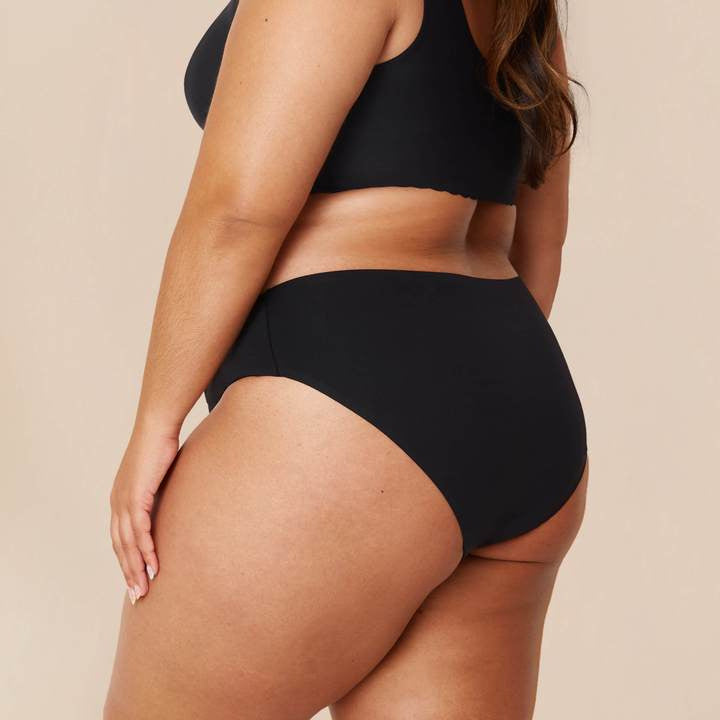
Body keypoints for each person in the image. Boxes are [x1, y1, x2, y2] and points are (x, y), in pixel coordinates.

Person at [104, 0, 590, 717]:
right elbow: (540, 237)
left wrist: (155, 423)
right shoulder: (527, 9)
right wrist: (454, 409)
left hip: (347, 409)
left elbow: (237, 212)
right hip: (523, 407)